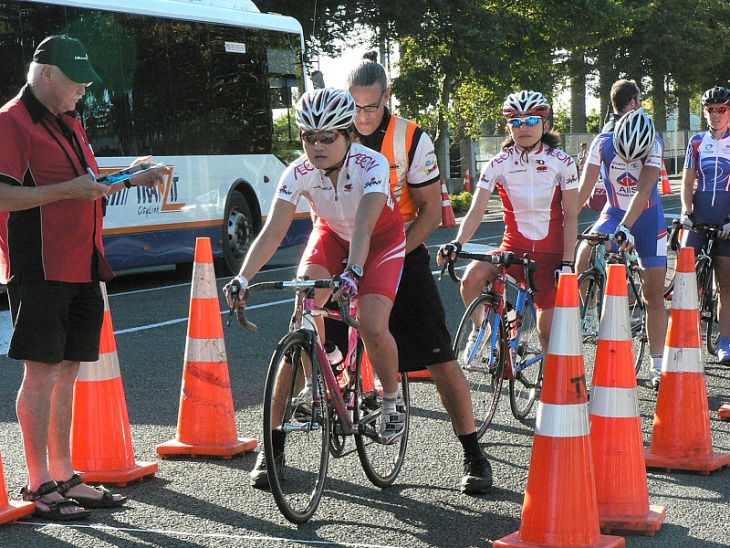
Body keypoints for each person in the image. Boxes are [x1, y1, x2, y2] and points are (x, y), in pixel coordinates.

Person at [0, 35, 168, 521]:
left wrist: (127, 176)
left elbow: (83, 186)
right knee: (42, 373)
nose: (84, 92)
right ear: (46, 74)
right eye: (76, 83)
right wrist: (68, 190)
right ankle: (38, 483)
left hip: (82, 264)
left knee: (68, 371)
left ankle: (65, 474)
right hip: (40, 267)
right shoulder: (11, 121)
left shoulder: (68, 120)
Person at [223, 88, 407, 487]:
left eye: (328, 137)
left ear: (348, 135)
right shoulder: (298, 172)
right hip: (331, 236)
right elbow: (273, 230)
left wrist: (354, 271)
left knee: (373, 323)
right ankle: (292, 417)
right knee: (304, 303)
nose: (318, 146)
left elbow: (364, 226)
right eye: (309, 137)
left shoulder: (372, 164)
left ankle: (391, 400)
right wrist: (243, 276)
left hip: (379, 241)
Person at [344, 52, 492, 494]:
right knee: (310, 331)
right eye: (356, 106)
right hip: (345, 246)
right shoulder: (335, 128)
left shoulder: (410, 137)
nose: (363, 116)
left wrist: (393, 254)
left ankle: (473, 454)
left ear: (387, 98)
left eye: (372, 106)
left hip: (401, 248)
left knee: (438, 355)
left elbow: (429, 212)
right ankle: (275, 447)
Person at [439, 90, 579, 355]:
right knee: (471, 277)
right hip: (512, 250)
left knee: (547, 332)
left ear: (545, 124)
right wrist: (457, 243)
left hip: (551, 257)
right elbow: (477, 209)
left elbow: (571, 215)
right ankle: (482, 329)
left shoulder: (563, 162)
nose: (522, 128)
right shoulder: (498, 163)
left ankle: (547, 396)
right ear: (508, 127)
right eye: (515, 122)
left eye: (530, 121)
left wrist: (568, 263)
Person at [577, 108, 668, 389]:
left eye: (635, 157)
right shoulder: (602, 143)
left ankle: (657, 364)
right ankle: (590, 313)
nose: (629, 160)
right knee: (585, 250)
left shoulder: (655, 144)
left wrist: (626, 228)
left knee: (653, 294)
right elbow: (585, 187)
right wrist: (564, 220)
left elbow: (643, 191)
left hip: (648, 218)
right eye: (624, 154)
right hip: (614, 211)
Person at [680, 86, 730, 363]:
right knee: (685, 276)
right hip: (700, 216)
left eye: (721, 109)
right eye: (711, 110)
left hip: (726, 218)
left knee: (726, 283)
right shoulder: (697, 142)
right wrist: (687, 212)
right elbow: (687, 182)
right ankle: (683, 334)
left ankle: (725, 340)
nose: (716, 115)